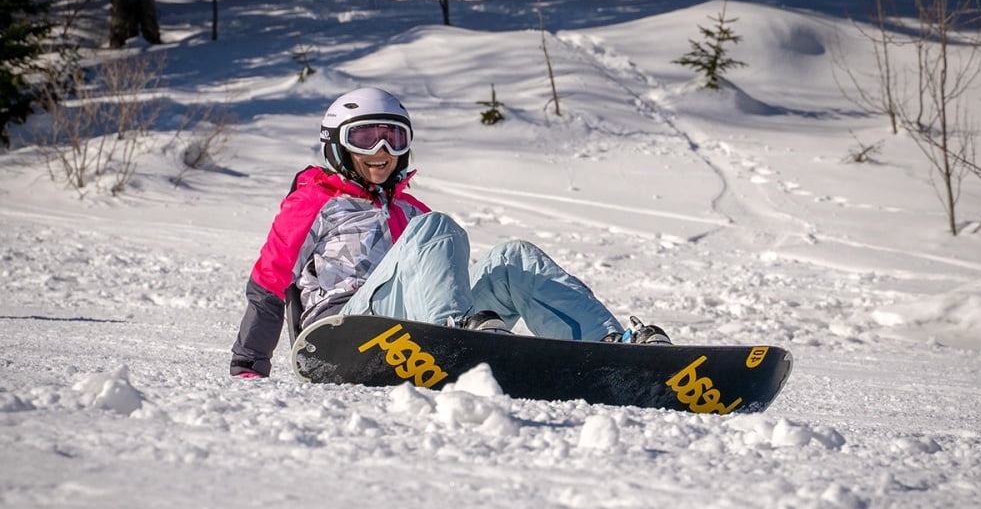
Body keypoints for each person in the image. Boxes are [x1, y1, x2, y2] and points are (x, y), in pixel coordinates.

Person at [230, 87, 668, 378]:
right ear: (337, 144)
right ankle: (459, 337)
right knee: (435, 227)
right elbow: (269, 281)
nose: (382, 151)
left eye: (394, 138)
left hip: (418, 322)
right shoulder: (315, 201)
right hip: (348, 330)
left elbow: (440, 278)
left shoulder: (411, 210)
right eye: (365, 138)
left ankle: (613, 349)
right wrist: (249, 365)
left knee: (514, 257)